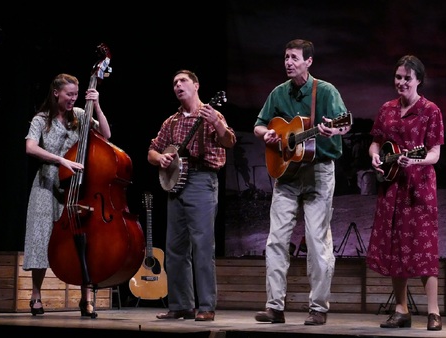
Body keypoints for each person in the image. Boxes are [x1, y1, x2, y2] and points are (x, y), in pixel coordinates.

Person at [253, 39, 350, 326]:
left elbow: (344, 124)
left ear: (308, 62)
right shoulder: (278, 93)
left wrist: (333, 130)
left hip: (318, 171)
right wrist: (266, 135)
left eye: (294, 58)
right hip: (286, 174)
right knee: (276, 240)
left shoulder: (327, 91)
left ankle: (318, 308)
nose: (288, 62)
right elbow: (260, 124)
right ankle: (274, 307)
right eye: (286, 57)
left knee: (318, 241)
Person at [148, 69, 236, 322]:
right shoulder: (171, 121)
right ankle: (180, 305)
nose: (178, 85)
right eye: (174, 82)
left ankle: (206, 305)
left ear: (196, 85)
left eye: (183, 81)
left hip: (201, 180)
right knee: (175, 248)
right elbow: (151, 151)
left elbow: (229, 141)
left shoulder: (211, 114)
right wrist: (160, 158)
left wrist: (218, 123)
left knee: (202, 246)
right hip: (175, 184)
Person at [23, 73, 112, 318]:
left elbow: (106, 135)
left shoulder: (82, 115)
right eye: (69, 94)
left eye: (76, 94)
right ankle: (36, 294)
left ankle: (86, 299)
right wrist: (61, 159)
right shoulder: (41, 119)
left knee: (80, 242)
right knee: (40, 237)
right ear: (56, 93)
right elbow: (30, 147)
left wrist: (98, 105)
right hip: (46, 184)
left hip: (75, 188)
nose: (73, 98)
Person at [366, 55, 445, 331]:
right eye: (398, 77)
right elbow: (376, 142)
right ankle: (401, 310)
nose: (400, 82)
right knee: (395, 247)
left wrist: (415, 161)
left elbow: (434, 153)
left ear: (418, 80)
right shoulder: (386, 109)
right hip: (391, 186)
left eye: (406, 78)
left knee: (424, 249)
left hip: (419, 188)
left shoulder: (430, 111)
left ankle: (433, 312)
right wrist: (375, 157)